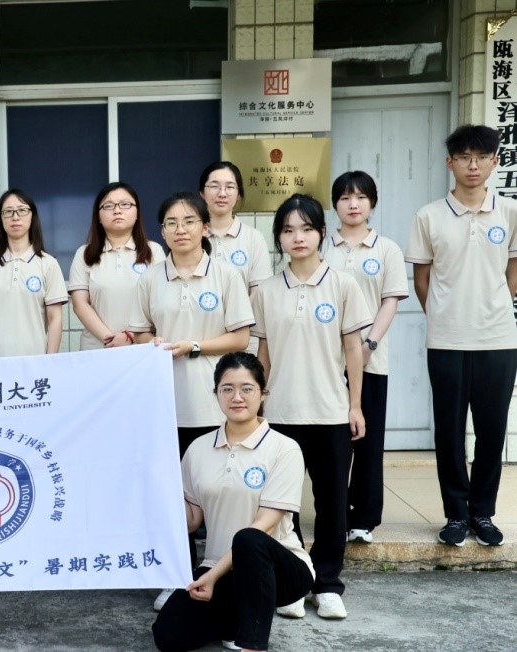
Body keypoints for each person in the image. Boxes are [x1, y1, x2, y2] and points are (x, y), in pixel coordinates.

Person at [129, 193, 254, 611]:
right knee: (173, 496)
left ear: (204, 227)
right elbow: (140, 331)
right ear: (161, 232)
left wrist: (194, 345)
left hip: (215, 404)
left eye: (188, 221)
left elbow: (240, 337)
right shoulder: (150, 278)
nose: (180, 230)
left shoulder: (226, 275)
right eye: (170, 223)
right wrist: (154, 342)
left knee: (220, 492)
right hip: (165, 402)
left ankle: (224, 575)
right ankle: (177, 575)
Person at [251, 194, 372, 620]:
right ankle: (295, 581)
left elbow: (353, 349)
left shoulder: (343, 284)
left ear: (322, 232)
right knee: (282, 506)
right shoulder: (266, 291)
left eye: (306, 228)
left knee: (333, 503)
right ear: (279, 238)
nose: (297, 237)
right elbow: (263, 354)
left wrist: (355, 406)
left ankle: (328, 584)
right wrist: (258, 408)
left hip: (330, 412)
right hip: (280, 414)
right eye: (288, 230)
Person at [152, 352, 314, 652]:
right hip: (220, 567)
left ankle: (253, 643)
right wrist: (159, 490)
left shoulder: (284, 449)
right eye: (227, 389)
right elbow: (192, 521)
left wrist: (212, 577)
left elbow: (264, 527)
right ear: (216, 393)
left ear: (262, 393)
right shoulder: (198, 449)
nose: (236, 397)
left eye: (246, 388)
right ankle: (235, 619)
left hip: (280, 570)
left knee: (248, 539)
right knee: (168, 636)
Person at [405, 124, 517, 548]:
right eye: (465, 157)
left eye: (482, 157)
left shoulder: (510, 212)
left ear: (495, 161)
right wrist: (444, 314)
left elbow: (513, 271)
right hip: (447, 340)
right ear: (449, 162)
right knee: (449, 431)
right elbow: (422, 279)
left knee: (492, 430)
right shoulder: (429, 215)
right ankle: (455, 514)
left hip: (498, 340)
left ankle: (482, 513)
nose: (473, 165)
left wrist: (495, 306)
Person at [323, 172, 409, 544]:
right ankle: (336, 513)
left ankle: (365, 517)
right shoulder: (321, 246)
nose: (353, 204)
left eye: (360, 197)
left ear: (372, 203)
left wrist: (369, 344)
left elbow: (390, 301)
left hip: (371, 359)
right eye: (344, 198)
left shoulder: (386, 249)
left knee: (367, 441)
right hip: (326, 361)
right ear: (335, 205)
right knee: (333, 442)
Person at [0, 189, 68, 358]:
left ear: (32, 216)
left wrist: (49, 361)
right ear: (1, 219)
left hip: (34, 360)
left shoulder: (48, 264)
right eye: (8, 212)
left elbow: (54, 318)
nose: (15, 217)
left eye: (22, 210)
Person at [68, 182, 165, 350]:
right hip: (97, 348)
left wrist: (130, 336)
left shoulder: (154, 251)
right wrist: (109, 338)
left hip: (141, 348)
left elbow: (160, 301)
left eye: (125, 204)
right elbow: (80, 304)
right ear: (98, 216)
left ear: (137, 213)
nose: (117, 210)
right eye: (108, 206)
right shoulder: (84, 254)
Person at [199, 161, 273, 295]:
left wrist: (239, 309)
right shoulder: (192, 235)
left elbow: (258, 293)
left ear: (238, 194)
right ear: (202, 192)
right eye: (214, 186)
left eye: (230, 187)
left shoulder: (253, 238)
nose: (222, 193)